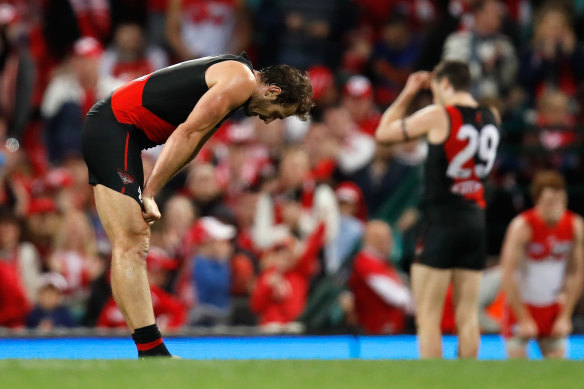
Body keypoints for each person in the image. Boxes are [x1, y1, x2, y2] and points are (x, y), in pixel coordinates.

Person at [82, 51, 313, 357]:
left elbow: (194, 143)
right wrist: (149, 192)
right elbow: (187, 133)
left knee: (130, 243)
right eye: (277, 112)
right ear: (272, 91)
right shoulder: (240, 82)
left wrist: (150, 189)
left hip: (118, 130)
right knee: (132, 242)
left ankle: (149, 350)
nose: (268, 119)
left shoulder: (234, 82)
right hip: (115, 127)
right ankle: (151, 352)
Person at [375, 61, 501, 358]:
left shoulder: (439, 115)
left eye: (435, 90)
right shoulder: (491, 116)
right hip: (475, 218)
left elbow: (383, 134)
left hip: (441, 221)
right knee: (467, 316)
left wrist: (407, 93)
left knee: (428, 318)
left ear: (445, 84)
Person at [501, 170, 584, 358]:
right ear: (538, 201)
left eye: (560, 201)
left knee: (557, 375)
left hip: (552, 307)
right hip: (522, 304)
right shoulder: (522, 227)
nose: (556, 208)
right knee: (516, 374)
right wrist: (523, 318)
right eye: (550, 203)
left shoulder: (575, 225)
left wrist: (565, 316)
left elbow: (576, 273)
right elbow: (508, 273)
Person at [347, 221, 414, 334]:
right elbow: (398, 298)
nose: (391, 243)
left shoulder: (382, 262)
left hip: (392, 331)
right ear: (378, 241)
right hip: (376, 334)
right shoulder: (365, 263)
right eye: (388, 239)